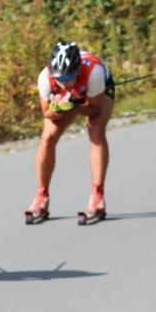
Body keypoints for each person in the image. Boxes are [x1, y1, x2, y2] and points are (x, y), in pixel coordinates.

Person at [25, 41, 115, 223]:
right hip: (72, 98)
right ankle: (41, 197)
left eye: (68, 79)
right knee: (47, 137)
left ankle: (97, 196)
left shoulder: (93, 73)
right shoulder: (45, 78)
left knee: (95, 131)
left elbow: (94, 110)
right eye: (60, 79)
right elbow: (47, 113)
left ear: (78, 71)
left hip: (95, 94)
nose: (63, 83)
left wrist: (75, 102)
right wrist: (58, 106)